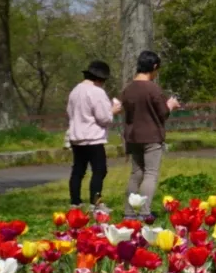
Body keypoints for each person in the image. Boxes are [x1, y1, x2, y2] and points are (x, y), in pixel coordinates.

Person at [120, 50, 179, 220]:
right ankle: (144, 211)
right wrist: (171, 105)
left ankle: (129, 212)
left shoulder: (128, 89)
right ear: (154, 67)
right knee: (150, 174)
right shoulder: (153, 89)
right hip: (151, 136)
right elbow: (162, 112)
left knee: (136, 174)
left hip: (133, 137)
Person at [65, 59, 117, 208]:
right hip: (93, 138)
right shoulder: (97, 92)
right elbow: (104, 117)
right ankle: (96, 201)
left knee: (78, 170)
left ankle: (75, 201)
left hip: (76, 136)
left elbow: (69, 112)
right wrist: (113, 111)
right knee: (99, 170)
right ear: (101, 79)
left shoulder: (75, 90)